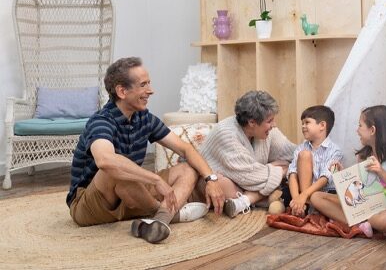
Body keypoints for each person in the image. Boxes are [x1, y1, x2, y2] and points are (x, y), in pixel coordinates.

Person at [66, 57, 225, 244]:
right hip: (91, 205)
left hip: (129, 194)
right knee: (114, 170)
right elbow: (105, 160)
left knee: (187, 169)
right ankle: (170, 215)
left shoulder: (144, 118)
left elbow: (185, 148)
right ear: (122, 91)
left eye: (149, 83)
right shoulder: (101, 121)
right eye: (143, 85)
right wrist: (156, 179)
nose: (151, 90)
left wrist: (211, 179)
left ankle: (158, 220)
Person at [198, 90, 296, 218]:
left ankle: (245, 201)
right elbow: (251, 178)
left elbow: (293, 152)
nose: (274, 125)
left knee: (290, 168)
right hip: (217, 181)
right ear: (252, 122)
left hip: (246, 179)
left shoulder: (267, 131)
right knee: (226, 187)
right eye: (270, 121)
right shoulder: (226, 135)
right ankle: (250, 199)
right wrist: (283, 171)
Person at [310, 105, 386, 236]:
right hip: (362, 204)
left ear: (372, 130)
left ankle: (362, 222)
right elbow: (356, 189)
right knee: (316, 197)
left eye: (360, 126)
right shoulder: (363, 156)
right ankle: (362, 224)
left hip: (385, 209)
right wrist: (341, 175)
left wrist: (381, 172)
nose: (357, 130)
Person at [286, 105, 343, 216]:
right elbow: (292, 174)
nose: (303, 126)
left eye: (307, 122)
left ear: (322, 125)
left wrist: (304, 196)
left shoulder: (335, 151)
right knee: (304, 155)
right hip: (302, 194)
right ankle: (302, 207)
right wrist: (297, 200)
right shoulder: (301, 148)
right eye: (302, 123)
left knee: (320, 196)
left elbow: (325, 178)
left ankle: (309, 206)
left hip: (324, 194)